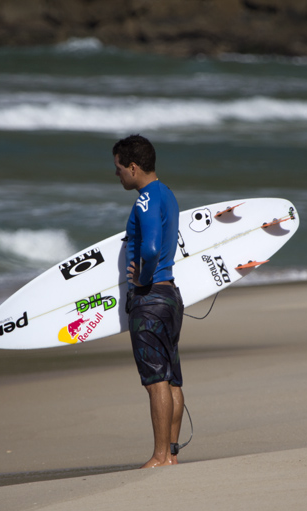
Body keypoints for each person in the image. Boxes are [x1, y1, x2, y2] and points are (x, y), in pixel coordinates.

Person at [113, 134, 185, 469]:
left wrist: (142, 276)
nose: (117, 175)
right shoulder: (167, 194)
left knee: (156, 380)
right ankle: (171, 452)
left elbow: (152, 247)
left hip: (151, 298)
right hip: (171, 296)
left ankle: (159, 457)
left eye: (118, 168)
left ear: (133, 166)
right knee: (171, 379)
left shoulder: (145, 199)